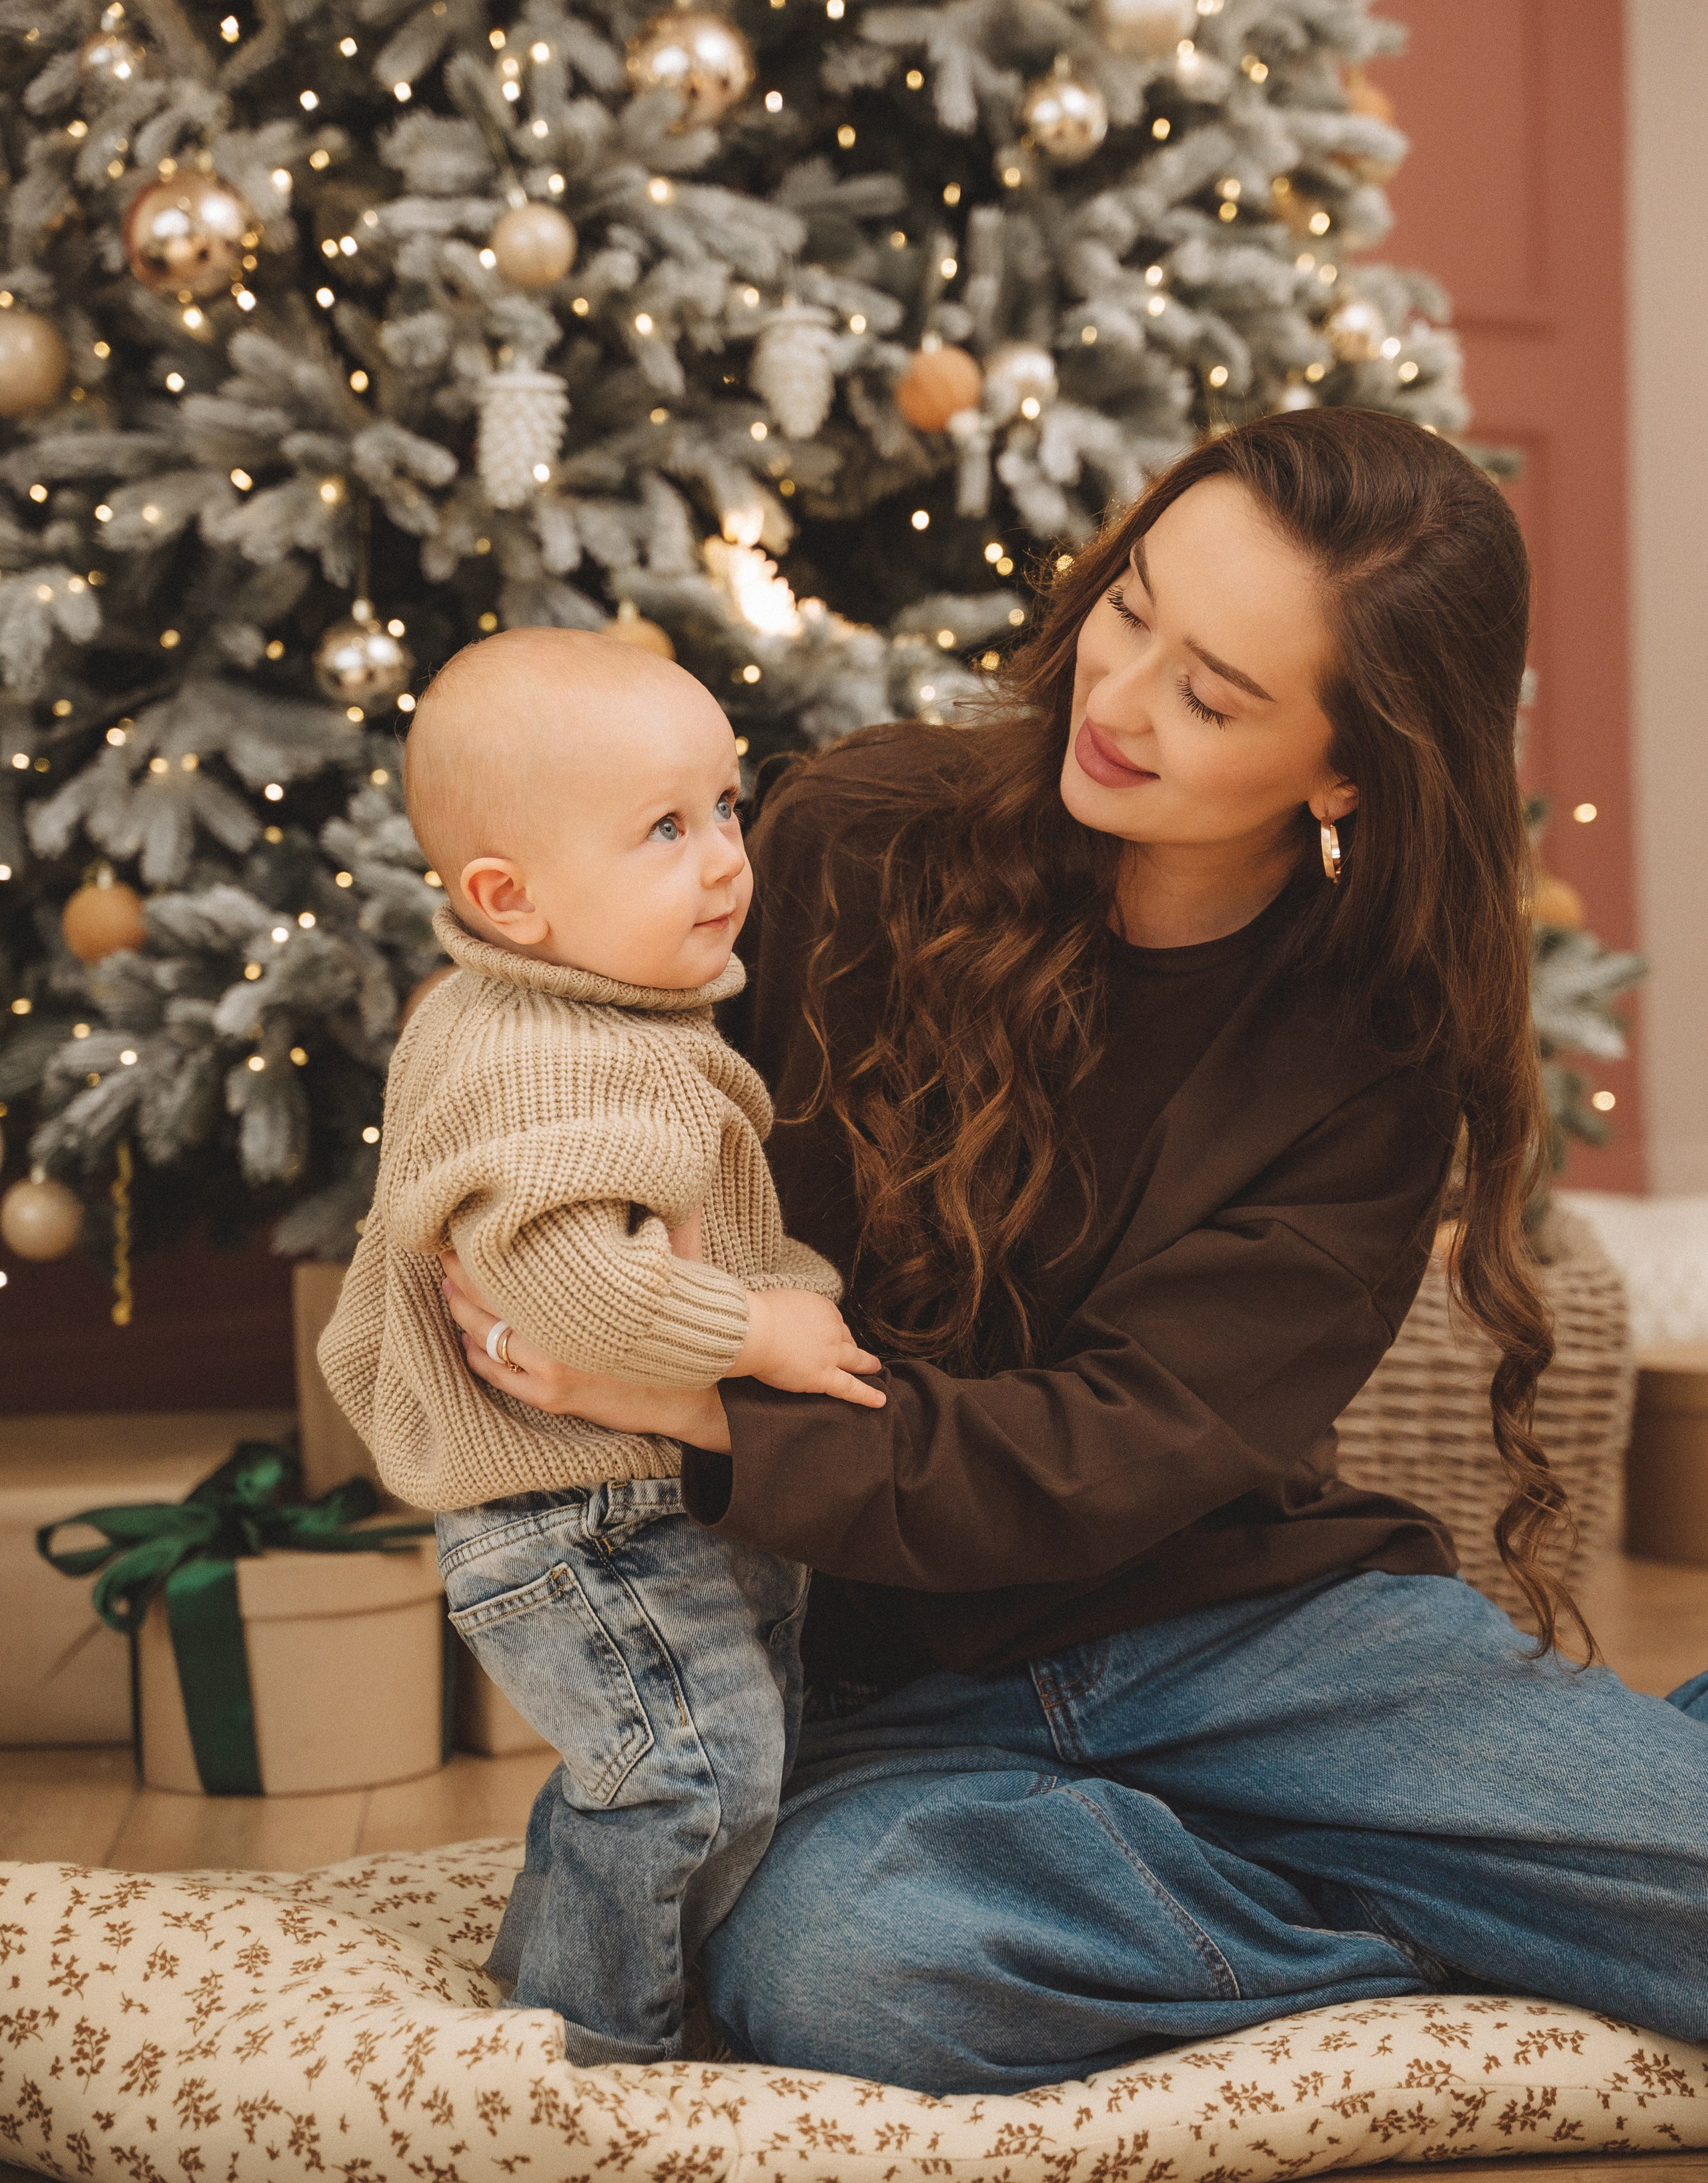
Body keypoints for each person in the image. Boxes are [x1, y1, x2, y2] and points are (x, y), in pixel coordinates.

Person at [445, 412, 1708, 2094]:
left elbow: (1113, 1447)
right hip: (888, 1677)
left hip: (1255, 1633)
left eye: (1214, 696)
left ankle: (1413, 1859)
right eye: (1132, 609)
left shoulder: (1376, 1041)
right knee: (851, 1973)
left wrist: (709, 1412)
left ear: (1347, 769)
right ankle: (1428, 1902)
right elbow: (586, 1051)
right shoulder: (858, 839)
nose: (1114, 703)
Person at [318, 628, 879, 2067]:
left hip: (629, 1497)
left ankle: (561, 1979)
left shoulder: (574, 1005)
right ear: (508, 900)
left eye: (725, 808)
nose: (722, 863)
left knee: (694, 1755)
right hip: (575, 1520)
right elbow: (565, 1281)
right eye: (662, 830)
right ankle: (592, 2062)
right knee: (686, 1773)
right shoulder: (547, 1055)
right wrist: (754, 1324)